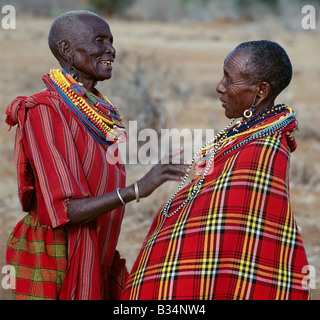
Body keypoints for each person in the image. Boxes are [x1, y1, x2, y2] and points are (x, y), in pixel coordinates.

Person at [5, 10, 188, 300]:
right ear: (66, 50)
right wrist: (138, 189)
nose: (111, 50)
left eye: (111, 41)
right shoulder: (44, 111)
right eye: (99, 40)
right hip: (57, 257)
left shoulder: (101, 110)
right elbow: (66, 210)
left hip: (98, 249)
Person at [122, 40, 310, 300]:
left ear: (261, 90)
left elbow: (231, 237)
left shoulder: (264, 149)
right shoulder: (246, 132)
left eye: (229, 80)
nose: (219, 87)